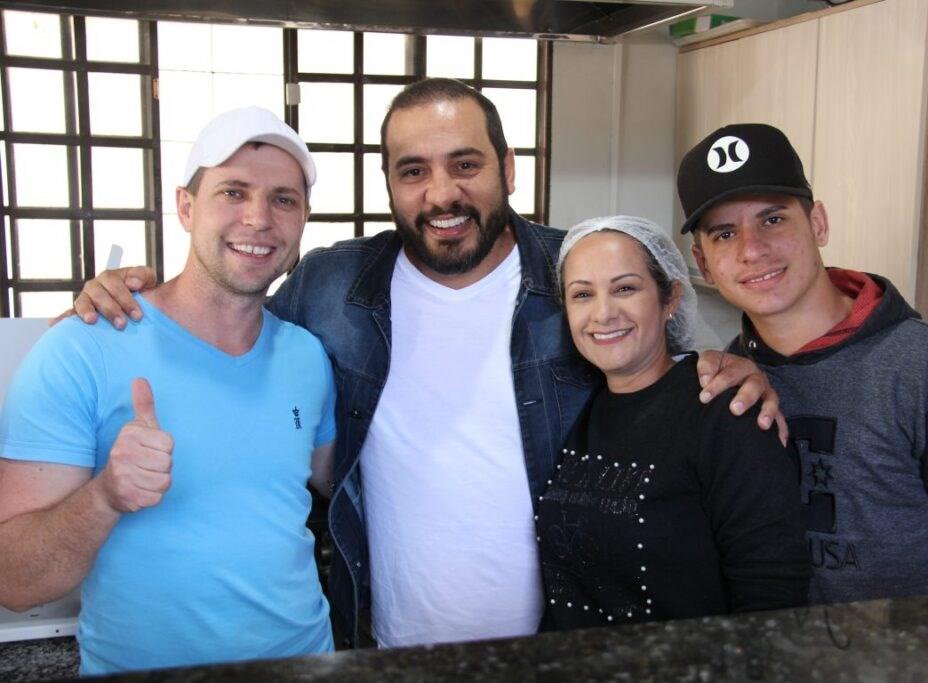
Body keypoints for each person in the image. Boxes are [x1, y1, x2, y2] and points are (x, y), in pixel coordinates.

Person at [70, 79, 786, 648]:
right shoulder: (331, 286)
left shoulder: (573, 269)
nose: (441, 194)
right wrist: (136, 295)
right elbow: (228, 327)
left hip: (556, 646)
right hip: (380, 639)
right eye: (413, 171)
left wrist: (735, 364)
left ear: (507, 168)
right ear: (388, 183)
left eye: (465, 165)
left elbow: (649, 351)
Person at [0, 107, 337, 674]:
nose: (258, 219)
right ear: (185, 207)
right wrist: (105, 495)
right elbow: (14, 580)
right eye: (233, 191)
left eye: (283, 199)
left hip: (306, 663)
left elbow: (339, 483)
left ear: (303, 218)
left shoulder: (307, 355)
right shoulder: (81, 349)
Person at [677, 122, 928, 605]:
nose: (752, 249)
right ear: (702, 261)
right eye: (724, 233)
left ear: (818, 223)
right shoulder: (726, 383)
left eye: (773, 219)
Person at [538, 216, 809, 629]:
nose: (603, 313)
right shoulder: (573, 407)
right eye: (582, 295)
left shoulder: (725, 411)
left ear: (670, 299)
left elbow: (772, 590)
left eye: (625, 288)